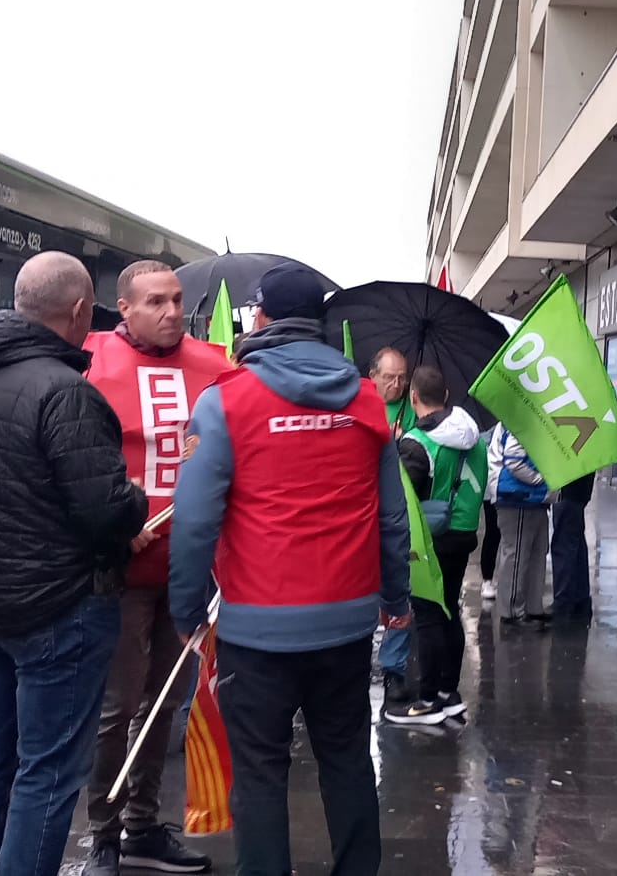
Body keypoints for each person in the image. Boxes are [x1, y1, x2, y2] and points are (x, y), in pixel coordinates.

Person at [168, 259, 412, 876]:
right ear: (320, 323)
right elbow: (391, 520)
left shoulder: (226, 402)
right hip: (348, 622)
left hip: (257, 628)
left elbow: (193, 520)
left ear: (262, 319)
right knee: (347, 758)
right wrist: (396, 598)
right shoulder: (365, 401)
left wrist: (187, 610)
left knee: (259, 773)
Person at [0, 251, 149, 876]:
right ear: (80, 311)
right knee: (49, 772)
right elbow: (106, 512)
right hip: (60, 610)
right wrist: (138, 499)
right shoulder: (66, 393)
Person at [78, 261, 230, 876]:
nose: (171, 312)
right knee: (115, 710)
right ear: (124, 307)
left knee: (165, 703)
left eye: (176, 300)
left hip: (187, 571)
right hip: (120, 574)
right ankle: (103, 832)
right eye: (155, 302)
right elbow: (74, 463)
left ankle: (142, 825)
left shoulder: (217, 366)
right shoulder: (89, 363)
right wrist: (118, 525)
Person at [392, 364, 485, 725]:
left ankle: (427, 700)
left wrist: (397, 449)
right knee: (449, 609)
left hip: (430, 539)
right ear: (445, 396)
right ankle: (449, 692)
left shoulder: (417, 442)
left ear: (413, 397)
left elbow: (405, 498)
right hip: (463, 534)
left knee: (428, 615)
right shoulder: (474, 437)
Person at [370, 346, 416, 694]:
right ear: (374, 377)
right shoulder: (360, 406)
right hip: (366, 513)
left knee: (401, 591)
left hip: (402, 510)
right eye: (390, 377)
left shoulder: (411, 410)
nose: (397, 384)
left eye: (402, 377)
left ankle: (393, 667)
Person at [487, 424, 552, 626]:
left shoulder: (521, 417)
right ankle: (513, 611)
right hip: (519, 496)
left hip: (528, 497)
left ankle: (532, 608)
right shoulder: (519, 420)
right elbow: (514, 461)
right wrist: (542, 480)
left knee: (533, 553)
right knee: (518, 554)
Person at [551, 473, 596, 621]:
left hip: (568, 490)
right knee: (575, 545)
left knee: (564, 547)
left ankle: (563, 603)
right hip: (578, 492)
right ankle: (579, 600)